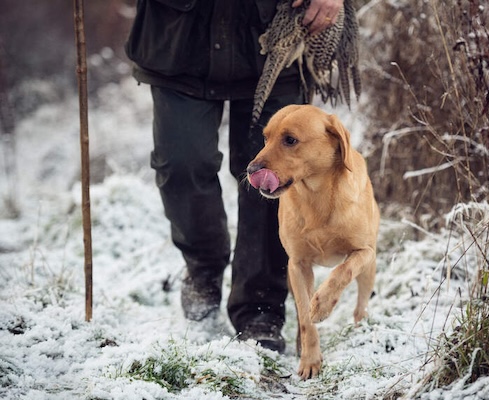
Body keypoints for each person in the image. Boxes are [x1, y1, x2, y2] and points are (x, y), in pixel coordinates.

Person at [124, 0, 343, 353]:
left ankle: (260, 307)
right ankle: (203, 267)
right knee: (181, 165)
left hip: (275, 37)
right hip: (177, 41)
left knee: (275, 177)